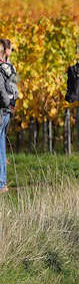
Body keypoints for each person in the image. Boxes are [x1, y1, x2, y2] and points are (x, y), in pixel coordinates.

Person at [0, 39, 19, 194]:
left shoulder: (1, 68)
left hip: (3, 109)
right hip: (8, 109)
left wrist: (6, 103)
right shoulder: (10, 67)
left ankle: (1, 183)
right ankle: (3, 182)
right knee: (2, 146)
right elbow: (15, 86)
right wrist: (12, 104)